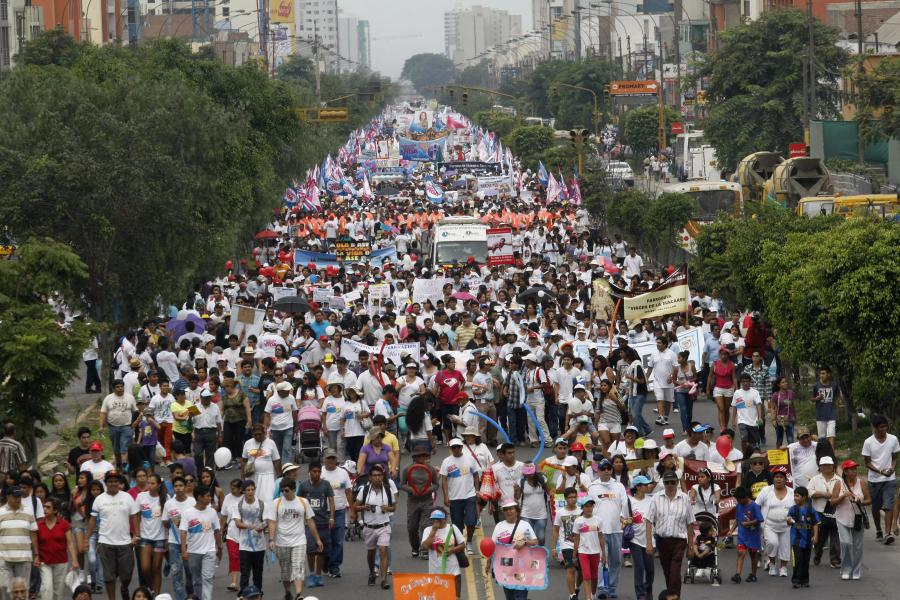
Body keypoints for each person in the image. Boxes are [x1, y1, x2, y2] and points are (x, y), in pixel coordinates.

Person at [86, 472, 139, 600]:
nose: (113, 483)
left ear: (119, 483)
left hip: (125, 542)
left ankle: (124, 588)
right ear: (106, 483)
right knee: (109, 576)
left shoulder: (127, 497)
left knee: (126, 575)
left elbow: (135, 516)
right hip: (105, 542)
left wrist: (137, 534)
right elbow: (92, 520)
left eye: (116, 481)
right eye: (110, 481)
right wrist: (86, 539)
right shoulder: (99, 499)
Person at [645, 471, 695, 597]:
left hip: (679, 541)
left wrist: (691, 546)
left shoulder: (684, 498)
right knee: (667, 572)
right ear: (663, 483)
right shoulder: (656, 498)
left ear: (677, 483)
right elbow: (648, 520)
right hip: (662, 541)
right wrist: (649, 543)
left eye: (673, 482)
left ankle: (674, 596)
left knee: (674, 572)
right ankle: (672, 596)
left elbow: (690, 523)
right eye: (667, 482)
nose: (670, 485)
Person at [354, 464, 397, 590]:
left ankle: (384, 579)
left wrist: (387, 508)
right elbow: (355, 506)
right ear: (370, 477)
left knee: (383, 550)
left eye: (380, 475)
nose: (377, 478)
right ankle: (372, 572)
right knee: (371, 553)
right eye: (375, 476)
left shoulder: (388, 490)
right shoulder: (365, 490)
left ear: (383, 476)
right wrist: (364, 507)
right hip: (369, 527)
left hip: (384, 526)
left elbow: (394, 507)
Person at [487, 499, 538, 600]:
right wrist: (489, 563)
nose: (508, 511)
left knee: (520, 594)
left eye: (511, 509)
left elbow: (534, 541)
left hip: (521, 566)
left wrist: (525, 542)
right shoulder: (499, 526)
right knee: (509, 596)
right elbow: (493, 546)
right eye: (506, 509)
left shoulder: (524, 525)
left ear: (517, 510)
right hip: (505, 568)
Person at [179, 486, 221, 600]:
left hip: (210, 550)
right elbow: (183, 532)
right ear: (199, 497)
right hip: (193, 551)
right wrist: (184, 551)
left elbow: (217, 530)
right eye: (207, 496)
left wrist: (220, 547)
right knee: (197, 580)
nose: (210, 498)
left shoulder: (212, 512)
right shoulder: (188, 513)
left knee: (207, 578)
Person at [861, 414, 898, 544]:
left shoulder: (893, 439)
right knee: (875, 507)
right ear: (875, 428)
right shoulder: (868, 442)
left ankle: (888, 534)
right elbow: (867, 462)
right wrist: (880, 471)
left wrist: (892, 468)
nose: (884, 429)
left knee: (888, 505)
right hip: (875, 480)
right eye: (881, 427)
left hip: (890, 479)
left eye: (885, 426)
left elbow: (894, 457)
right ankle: (878, 530)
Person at [439, 439, 480, 555]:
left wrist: (477, 491)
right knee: (458, 525)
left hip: (469, 495)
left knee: (472, 521)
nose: (456, 449)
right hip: (455, 498)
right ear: (451, 449)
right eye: (453, 447)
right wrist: (446, 496)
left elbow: (476, 475)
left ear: (462, 447)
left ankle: (469, 542)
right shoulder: (446, 461)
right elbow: (444, 480)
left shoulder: (470, 459)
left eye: (458, 447)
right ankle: (460, 544)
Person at [832, 459, 870, 581]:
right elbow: (832, 502)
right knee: (846, 543)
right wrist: (843, 496)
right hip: (841, 518)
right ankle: (846, 569)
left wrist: (860, 501)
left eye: (855, 469)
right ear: (846, 471)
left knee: (858, 546)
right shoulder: (839, 484)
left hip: (857, 518)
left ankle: (856, 570)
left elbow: (869, 500)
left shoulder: (862, 483)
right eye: (852, 469)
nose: (855, 471)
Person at [298, 462, 334, 589]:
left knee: (321, 551)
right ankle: (311, 575)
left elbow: (331, 500)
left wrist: (331, 517)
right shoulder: (303, 486)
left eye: (318, 471)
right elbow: (298, 502)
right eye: (314, 471)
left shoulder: (326, 485)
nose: (316, 474)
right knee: (311, 550)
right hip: (309, 523)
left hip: (323, 521)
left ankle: (319, 576)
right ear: (309, 472)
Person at [400, 444, 439, 559]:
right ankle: (415, 547)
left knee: (425, 525)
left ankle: (424, 548)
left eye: (424, 456)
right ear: (414, 457)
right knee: (412, 527)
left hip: (427, 501)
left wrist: (428, 490)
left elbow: (436, 485)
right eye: (419, 456)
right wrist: (411, 490)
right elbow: (401, 484)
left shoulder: (431, 469)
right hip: (413, 501)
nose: (422, 458)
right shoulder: (407, 469)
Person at [35, 497, 77, 600]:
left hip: (61, 562)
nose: (44, 509)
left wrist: (74, 560)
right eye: (44, 507)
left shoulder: (64, 524)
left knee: (59, 592)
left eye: (48, 507)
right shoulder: (39, 525)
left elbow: (70, 543)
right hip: (44, 562)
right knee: (47, 589)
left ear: (55, 510)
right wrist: (36, 556)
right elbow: (35, 542)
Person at [0, 486, 38, 599]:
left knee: (22, 591)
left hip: (24, 558)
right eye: (15, 496)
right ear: (8, 497)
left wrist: (36, 555)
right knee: (5, 589)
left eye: (19, 496)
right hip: (3, 558)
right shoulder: (0, 512)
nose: (18, 499)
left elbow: (33, 534)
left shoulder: (29, 511)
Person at [160, 477, 195, 600]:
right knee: (176, 573)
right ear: (173, 488)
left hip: (190, 543)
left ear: (186, 487)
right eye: (176, 486)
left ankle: (190, 595)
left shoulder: (192, 502)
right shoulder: (169, 504)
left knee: (189, 571)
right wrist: (172, 522)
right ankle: (180, 597)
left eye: (181, 485)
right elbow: (165, 522)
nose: (179, 488)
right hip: (174, 542)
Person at [320, 449, 352, 578]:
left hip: (339, 510)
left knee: (338, 540)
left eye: (333, 458)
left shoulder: (343, 473)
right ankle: (326, 561)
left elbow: (348, 492)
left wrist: (353, 510)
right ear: (324, 460)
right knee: (325, 540)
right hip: (322, 512)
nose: (331, 461)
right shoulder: (320, 473)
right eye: (328, 458)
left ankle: (334, 566)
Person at [755, 467, 793, 576]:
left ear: (785, 480)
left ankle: (783, 568)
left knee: (785, 548)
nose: (779, 479)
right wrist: (756, 521)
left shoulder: (792, 492)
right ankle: (772, 564)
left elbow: (796, 509)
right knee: (772, 544)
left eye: (781, 477)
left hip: (787, 526)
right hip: (769, 525)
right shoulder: (766, 490)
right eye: (776, 477)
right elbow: (756, 505)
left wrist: (793, 519)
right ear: (773, 479)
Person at [133, 474, 166, 595]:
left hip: (160, 538)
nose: (149, 486)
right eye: (149, 483)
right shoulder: (141, 497)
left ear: (158, 485)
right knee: (145, 568)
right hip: (145, 537)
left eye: (153, 483)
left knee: (156, 568)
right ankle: (152, 587)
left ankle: (157, 594)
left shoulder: (165, 498)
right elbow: (136, 516)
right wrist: (137, 533)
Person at [420, 509, 464, 600]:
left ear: (445, 519)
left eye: (439, 519)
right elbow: (424, 546)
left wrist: (452, 550)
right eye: (434, 519)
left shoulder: (452, 528)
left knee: (455, 597)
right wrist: (433, 531)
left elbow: (463, 544)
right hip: (435, 573)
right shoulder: (428, 530)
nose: (436, 521)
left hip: (453, 572)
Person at [231, 480, 267, 593]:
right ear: (244, 491)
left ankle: (258, 594)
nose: (251, 492)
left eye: (252, 489)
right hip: (244, 545)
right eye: (248, 490)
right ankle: (242, 595)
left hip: (259, 545)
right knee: (245, 572)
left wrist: (262, 526)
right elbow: (237, 523)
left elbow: (266, 521)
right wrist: (251, 526)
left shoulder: (261, 504)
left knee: (258, 573)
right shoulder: (239, 505)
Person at [808, 455, 841, 568]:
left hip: (835, 511)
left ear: (833, 466)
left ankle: (835, 559)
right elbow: (810, 493)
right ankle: (817, 555)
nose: (826, 467)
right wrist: (823, 494)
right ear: (820, 467)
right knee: (821, 537)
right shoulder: (815, 479)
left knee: (835, 535)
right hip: (819, 511)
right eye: (824, 465)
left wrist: (835, 497)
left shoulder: (839, 480)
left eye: (829, 465)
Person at [573, 498, 607, 600]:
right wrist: (574, 554)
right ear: (582, 508)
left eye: (590, 506)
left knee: (594, 577)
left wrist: (604, 553)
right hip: (583, 552)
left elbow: (601, 537)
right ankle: (588, 598)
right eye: (586, 506)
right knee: (586, 575)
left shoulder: (598, 520)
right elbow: (576, 539)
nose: (589, 508)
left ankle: (593, 594)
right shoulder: (578, 521)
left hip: (596, 552)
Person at [551, 487, 582, 600]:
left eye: (575, 497)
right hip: (566, 545)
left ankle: (577, 587)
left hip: (581, 545)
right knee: (571, 569)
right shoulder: (560, 513)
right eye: (570, 497)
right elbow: (555, 530)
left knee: (582, 572)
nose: (573, 499)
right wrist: (554, 548)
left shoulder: (581, 511)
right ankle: (572, 595)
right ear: (565, 499)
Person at [786, 486, 820, 588]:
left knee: (805, 561)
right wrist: (788, 521)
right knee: (797, 561)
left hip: (808, 541)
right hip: (796, 541)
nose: (795, 498)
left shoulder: (811, 510)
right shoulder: (793, 509)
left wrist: (816, 536)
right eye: (794, 496)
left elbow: (815, 523)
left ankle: (805, 580)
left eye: (797, 496)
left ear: (804, 497)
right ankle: (796, 580)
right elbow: (788, 521)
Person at [99, 382, 137, 470]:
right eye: (117, 387)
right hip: (113, 427)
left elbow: (135, 411)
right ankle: (119, 465)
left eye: (121, 386)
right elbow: (103, 413)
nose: (120, 388)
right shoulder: (108, 398)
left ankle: (125, 466)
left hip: (127, 426)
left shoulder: (130, 397)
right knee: (116, 448)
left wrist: (135, 424)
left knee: (124, 447)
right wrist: (101, 426)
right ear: (113, 388)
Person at [728, 486, 762, 583]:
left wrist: (748, 523)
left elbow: (759, 519)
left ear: (746, 497)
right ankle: (738, 574)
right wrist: (731, 530)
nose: (738, 501)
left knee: (753, 555)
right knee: (740, 553)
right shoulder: (738, 506)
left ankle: (753, 574)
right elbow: (737, 519)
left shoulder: (754, 506)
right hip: (742, 535)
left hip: (753, 535)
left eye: (739, 499)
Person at [241, 424, 281, 503]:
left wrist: (279, 477)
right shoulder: (248, 443)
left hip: (267, 476)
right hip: (251, 476)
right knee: (252, 499)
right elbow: (243, 460)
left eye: (260, 434)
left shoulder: (271, 443)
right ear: (253, 434)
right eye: (255, 435)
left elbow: (276, 461)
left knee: (268, 498)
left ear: (264, 433)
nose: (258, 436)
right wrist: (242, 476)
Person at [264, 382, 297, 464]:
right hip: (275, 428)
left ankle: (287, 466)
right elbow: (267, 414)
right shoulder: (271, 400)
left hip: (288, 427)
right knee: (278, 449)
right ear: (279, 392)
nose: (288, 392)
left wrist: (296, 425)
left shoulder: (291, 398)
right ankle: (280, 467)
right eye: (286, 391)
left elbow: (294, 412)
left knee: (287, 448)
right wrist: (265, 427)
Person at [730, 373, 763, 456]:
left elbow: (759, 404)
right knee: (744, 438)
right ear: (740, 382)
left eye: (747, 381)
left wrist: (760, 417)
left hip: (753, 421)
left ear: (750, 382)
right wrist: (733, 420)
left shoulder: (755, 392)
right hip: (742, 420)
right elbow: (734, 407)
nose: (745, 383)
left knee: (754, 441)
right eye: (743, 381)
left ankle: (754, 455)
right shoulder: (737, 393)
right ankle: (744, 455)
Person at [648, 337, 678, 427]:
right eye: (657, 343)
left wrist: (672, 376)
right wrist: (645, 378)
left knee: (668, 400)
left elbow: (676, 367)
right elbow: (650, 368)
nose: (657, 344)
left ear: (665, 344)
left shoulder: (671, 354)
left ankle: (665, 417)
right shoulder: (654, 354)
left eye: (659, 343)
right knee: (659, 398)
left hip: (669, 382)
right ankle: (660, 417)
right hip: (657, 380)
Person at [812, 366, 840, 447]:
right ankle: (823, 455)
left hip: (832, 415)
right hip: (820, 415)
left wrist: (837, 413)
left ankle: (832, 455)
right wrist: (817, 398)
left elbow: (836, 399)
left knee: (831, 435)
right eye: (820, 374)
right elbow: (811, 398)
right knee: (822, 438)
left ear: (829, 374)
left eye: (823, 373)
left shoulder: (834, 385)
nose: (821, 375)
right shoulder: (816, 385)